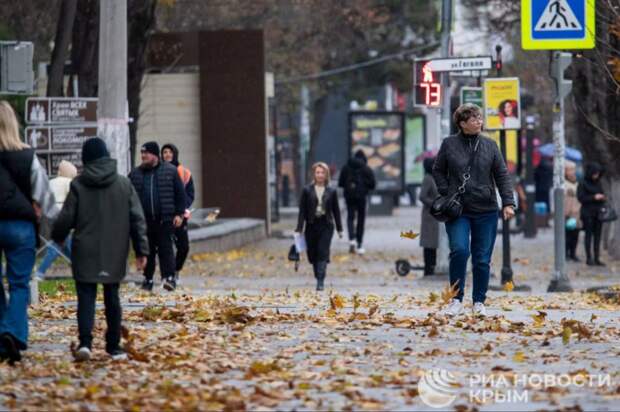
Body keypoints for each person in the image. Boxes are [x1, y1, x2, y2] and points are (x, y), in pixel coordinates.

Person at [52, 138, 149, 361]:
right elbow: (137, 219)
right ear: (106, 156)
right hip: (115, 250)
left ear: (86, 159)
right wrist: (142, 252)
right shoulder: (124, 184)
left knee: (85, 297)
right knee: (112, 296)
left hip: (84, 249)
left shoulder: (78, 185)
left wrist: (57, 236)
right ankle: (113, 346)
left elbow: (67, 217)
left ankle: (85, 343)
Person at [433, 103, 515, 317]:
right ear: (462, 123)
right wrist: (446, 191)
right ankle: (456, 300)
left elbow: (502, 175)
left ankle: (479, 301)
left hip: (486, 209)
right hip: (458, 210)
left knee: (481, 258)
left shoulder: (490, 145)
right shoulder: (449, 144)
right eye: (474, 119)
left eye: (480, 117)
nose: (479, 121)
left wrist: (508, 202)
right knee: (459, 250)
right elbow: (438, 170)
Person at [0, 101, 58, 364]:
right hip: (21, 226)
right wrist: (51, 217)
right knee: (20, 282)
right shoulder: (27, 156)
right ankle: (12, 332)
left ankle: (3, 333)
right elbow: (45, 194)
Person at [129, 141, 185, 292]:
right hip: (144, 221)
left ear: (154, 155)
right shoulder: (135, 174)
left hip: (164, 219)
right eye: (141, 153)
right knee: (148, 251)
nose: (143, 156)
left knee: (166, 249)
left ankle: (169, 278)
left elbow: (180, 194)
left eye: (146, 153)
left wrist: (179, 214)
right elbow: (128, 197)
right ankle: (148, 279)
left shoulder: (170, 171)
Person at [295, 162, 343, 291]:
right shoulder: (307, 190)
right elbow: (302, 211)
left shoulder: (331, 191)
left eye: (322, 173)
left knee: (322, 251)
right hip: (311, 224)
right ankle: (318, 274)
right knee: (312, 254)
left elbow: (336, 211)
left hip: (326, 225)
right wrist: (299, 229)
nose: (320, 175)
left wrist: (339, 229)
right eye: (318, 172)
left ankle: (320, 280)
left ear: (326, 174)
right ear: (314, 174)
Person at [34, 160, 78, 280]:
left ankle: (78, 269)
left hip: (47, 214)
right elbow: (72, 201)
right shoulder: (69, 182)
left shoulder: (51, 181)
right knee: (57, 244)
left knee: (65, 244)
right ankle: (40, 272)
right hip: (61, 215)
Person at [161, 144, 194, 281]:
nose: (167, 154)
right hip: (164, 216)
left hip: (181, 216)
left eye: (170, 152)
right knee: (165, 248)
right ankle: (167, 275)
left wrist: (180, 210)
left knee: (184, 247)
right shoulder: (158, 171)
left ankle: (175, 270)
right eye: (164, 152)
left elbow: (190, 194)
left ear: (175, 154)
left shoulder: (185, 173)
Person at [338, 150, 376, 254]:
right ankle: (359, 244)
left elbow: (340, 183)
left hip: (349, 196)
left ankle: (351, 240)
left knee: (350, 217)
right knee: (361, 219)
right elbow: (373, 184)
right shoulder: (366, 169)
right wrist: (365, 185)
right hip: (362, 197)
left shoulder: (346, 168)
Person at [578, 162, 607, 266]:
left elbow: (602, 193)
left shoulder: (598, 183)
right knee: (588, 235)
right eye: (595, 173)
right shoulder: (583, 183)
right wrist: (593, 197)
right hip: (587, 213)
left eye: (598, 174)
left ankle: (597, 257)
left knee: (598, 236)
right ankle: (589, 258)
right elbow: (581, 198)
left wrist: (602, 198)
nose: (596, 176)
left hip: (598, 212)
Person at [418, 157, 439, 276]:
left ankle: (432, 266)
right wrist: (434, 203)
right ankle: (428, 268)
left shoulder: (434, 178)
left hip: (435, 216)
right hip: (429, 216)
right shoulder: (428, 179)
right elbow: (422, 196)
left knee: (434, 243)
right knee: (429, 243)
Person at [564, 161, 581, 262]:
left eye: (573, 169)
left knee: (575, 235)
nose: (572, 172)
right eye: (570, 169)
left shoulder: (578, 182)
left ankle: (573, 253)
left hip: (577, 212)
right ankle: (565, 254)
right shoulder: (562, 183)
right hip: (566, 212)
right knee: (567, 235)